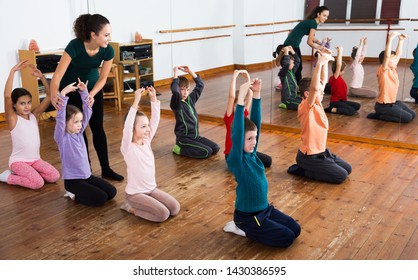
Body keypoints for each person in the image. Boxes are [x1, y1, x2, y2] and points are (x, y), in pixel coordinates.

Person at [223, 77, 300, 248]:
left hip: (265, 210)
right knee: (286, 238)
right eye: (249, 138)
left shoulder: (253, 155)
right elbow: (237, 133)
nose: (253, 142)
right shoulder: (237, 160)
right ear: (239, 139)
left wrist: (257, 94)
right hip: (248, 218)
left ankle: (255, 228)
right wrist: (241, 97)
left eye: (255, 138)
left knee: (296, 230)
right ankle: (241, 230)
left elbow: (256, 123)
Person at [50, 13, 123, 181]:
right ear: (93, 34)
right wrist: (55, 94)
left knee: (98, 127)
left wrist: (90, 95)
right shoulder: (75, 46)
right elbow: (57, 76)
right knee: (78, 130)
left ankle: (106, 168)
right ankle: (86, 170)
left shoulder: (108, 50)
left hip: (92, 90)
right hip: (71, 90)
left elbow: (103, 77)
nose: (109, 38)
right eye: (106, 35)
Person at [287, 50, 352, 184]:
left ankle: (313, 168)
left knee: (348, 169)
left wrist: (325, 62)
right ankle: (304, 170)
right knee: (341, 176)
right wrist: (319, 63)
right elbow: (316, 88)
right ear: (306, 94)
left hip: (322, 152)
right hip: (309, 157)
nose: (322, 94)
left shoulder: (317, 104)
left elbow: (320, 83)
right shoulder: (306, 107)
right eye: (319, 92)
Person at [120, 86, 180, 222]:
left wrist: (153, 99)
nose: (148, 129)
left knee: (175, 208)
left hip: (151, 189)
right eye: (143, 126)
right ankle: (130, 208)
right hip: (135, 194)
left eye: (147, 125)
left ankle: (148, 203)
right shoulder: (128, 147)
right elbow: (128, 125)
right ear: (133, 130)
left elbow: (155, 120)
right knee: (162, 214)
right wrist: (136, 101)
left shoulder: (146, 141)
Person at [54, 79, 117, 206]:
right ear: (65, 123)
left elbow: (88, 111)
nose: (79, 125)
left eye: (80, 121)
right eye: (75, 122)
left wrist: (84, 92)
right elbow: (60, 116)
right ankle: (73, 194)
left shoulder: (79, 132)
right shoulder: (62, 137)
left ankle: (85, 191)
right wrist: (63, 94)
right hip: (73, 181)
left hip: (87, 176)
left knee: (112, 192)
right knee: (101, 198)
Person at [0, 61, 60, 189]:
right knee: (38, 183)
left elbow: (49, 96)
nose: (27, 106)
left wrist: (42, 77)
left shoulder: (34, 115)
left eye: (28, 102)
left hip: (35, 160)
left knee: (54, 176)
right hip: (18, 162)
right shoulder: (13, 119)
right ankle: (8, 177)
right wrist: (12, 72)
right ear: (14, 105)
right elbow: (6, 97)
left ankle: (30, 173)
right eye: (22, 103)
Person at [224, 69, 272, 168]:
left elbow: (250, 95)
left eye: (241, 104)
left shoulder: (244, 114)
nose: (238, 107)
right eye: (236, 105)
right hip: (232, 155)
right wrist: (234, 77)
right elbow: (231, 97)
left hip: (245, 151)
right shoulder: (229, 116)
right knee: (247, 164)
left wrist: (248, 78)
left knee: (268, 160)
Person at [170, 65, 220, 158]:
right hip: (184, 139)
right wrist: (175, 74)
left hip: (195, 137)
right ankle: (179, 149)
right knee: (206, 152)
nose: (185, 93)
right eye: (182, 89)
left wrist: (190, 71)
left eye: (187, 90)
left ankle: (191, 147)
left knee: (215, 148)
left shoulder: (190, 100)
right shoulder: (176, 103)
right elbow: (175, 92)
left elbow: (200, 85)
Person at [367, 32, 416, 123]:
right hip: (383, 106)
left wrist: (400, 40)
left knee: (413, 115)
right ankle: (380, 115)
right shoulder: (383, 70)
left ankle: (387, 112)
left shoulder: (392, 68)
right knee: (407, 118)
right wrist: (390, 39)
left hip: (393, 103)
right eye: (392, 58)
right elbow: (387, 56)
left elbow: (398, 54)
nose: (395, 59)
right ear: (385, 61)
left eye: (395, 58)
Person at [283, 5, 330, 84]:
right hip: (292, 45)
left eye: (327, 16)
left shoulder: (312, 22)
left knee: (297, 66)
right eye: (324, 15)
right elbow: (309, 42)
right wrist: (317, 48)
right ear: (318, 14)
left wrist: (323, 43)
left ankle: (295, 84)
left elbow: (313, 38)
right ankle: (297, 85)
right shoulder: (313, 23)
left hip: (291, 44)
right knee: (298, 66)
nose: (326, 18)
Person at [324, 46, 361, 116]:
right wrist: (340, 52)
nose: (344, 71)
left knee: (357, 106)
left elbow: (338, 65)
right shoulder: (335, 78)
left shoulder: (338, 77)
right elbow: (338, 65)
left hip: (342, 101)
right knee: (351, 111)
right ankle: (332, 109)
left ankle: (335, 108)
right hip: (336, 102)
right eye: (343, 69)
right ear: (339, 70)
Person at [277, 46, 302, 110]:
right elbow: (287, 64)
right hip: (288, 100)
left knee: (305, 102)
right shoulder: (282, 73)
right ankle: (285, 104)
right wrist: (286, 52)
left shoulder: (292, 71)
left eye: (293, 63)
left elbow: (298, 61)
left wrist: (292, 51)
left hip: (294, 97)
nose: (293, 65)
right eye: (292, 63)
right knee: (303, 106)